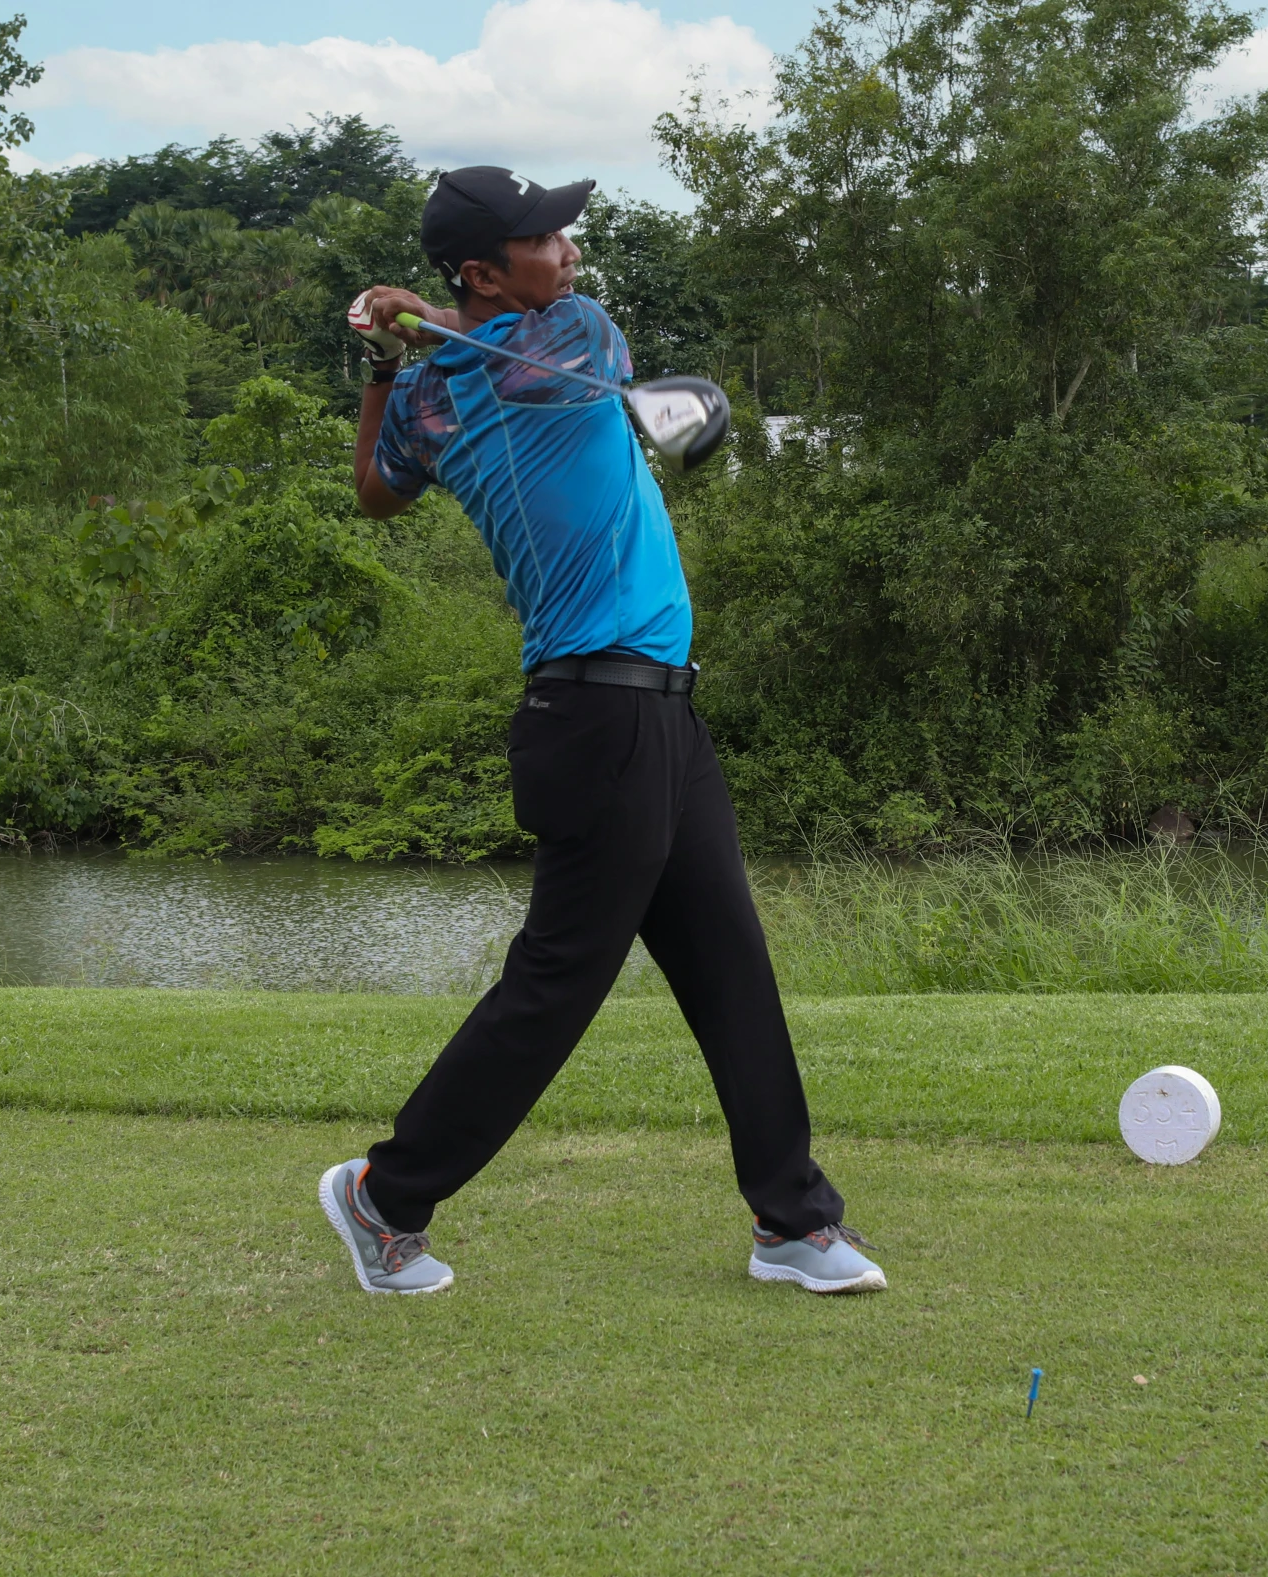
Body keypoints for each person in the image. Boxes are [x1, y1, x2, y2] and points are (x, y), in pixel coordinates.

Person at [315, 166, 883, 1297]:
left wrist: (391, 352)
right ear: (484, 272)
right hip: (595, 711)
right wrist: (415, 332)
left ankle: (791, 1220)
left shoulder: (430, 395)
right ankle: (385, 1195)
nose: (569, 248)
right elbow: (394, 485)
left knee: (730, 966)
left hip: (653, 708)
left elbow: (381, 487)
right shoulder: (568, 331)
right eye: (543, 235)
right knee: (558, 982)